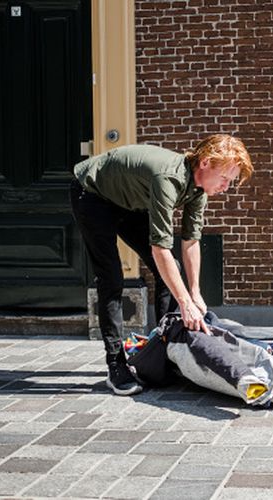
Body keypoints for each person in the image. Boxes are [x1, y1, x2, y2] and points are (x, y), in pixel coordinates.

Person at [70, 134, 253, 395]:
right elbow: (160, 248)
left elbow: (190, 241)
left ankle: (163, 351)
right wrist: (185, 304)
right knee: (112, 278)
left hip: (129, 201)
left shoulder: (198, 190)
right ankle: (116, 364)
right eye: (225, 179)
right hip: (92, 194)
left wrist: (195, 293)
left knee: (171, 271)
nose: (226, 187)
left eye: (231, 181)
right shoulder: (168, 178)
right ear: (205, 163)